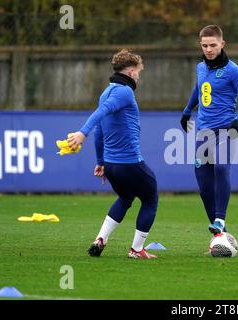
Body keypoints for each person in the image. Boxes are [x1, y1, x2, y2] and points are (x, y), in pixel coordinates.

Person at [67, 49, 159, 259]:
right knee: (150, 197)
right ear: (131, 71)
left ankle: (101, 239)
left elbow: (100, 128)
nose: (138, 76)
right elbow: (98, 116)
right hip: (129, 162)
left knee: (126, 197)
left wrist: (100, 161)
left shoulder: (106, 92)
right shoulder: (124, 92)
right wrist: (82, 133)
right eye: (138, 72)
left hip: (111, 164)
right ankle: (136, 250)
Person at [180, 25, 238, 235]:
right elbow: (198, 88)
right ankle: (220, 234)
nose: (208, 49)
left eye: (213, 45)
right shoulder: (201, 67)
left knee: (221, 167)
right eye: (205, 45)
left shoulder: (233, 71)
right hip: (203, 132)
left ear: (222, 44)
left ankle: (220, 218)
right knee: (203, 183)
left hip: (226, 129)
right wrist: (187, 110)